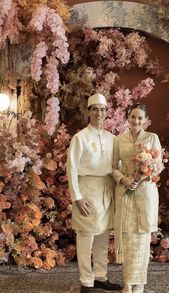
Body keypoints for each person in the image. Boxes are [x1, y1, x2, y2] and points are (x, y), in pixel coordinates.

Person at [67, 93, 122, 293]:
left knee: (103, 236)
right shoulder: (79, 138)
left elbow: (119, 165)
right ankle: (86, 281)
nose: (99, 113)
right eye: (95, 109)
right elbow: (71, 169)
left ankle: (100, 277)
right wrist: (77, 197)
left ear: (107, 112)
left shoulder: (113, 139)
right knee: (86, 236)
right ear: (88, 112)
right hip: (87, 190)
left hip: (107, 190)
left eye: (102, 109)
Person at [112, 103, 164, 293]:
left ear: (145, 120)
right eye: (133, 117)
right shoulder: (119, 139)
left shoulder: (152, 138)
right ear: (128, 117)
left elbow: (158, 166)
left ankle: (140, 282)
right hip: (125, 193)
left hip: (145, 193)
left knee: (142, 238)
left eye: (140, 118)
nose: (136, 121)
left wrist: (143, 175)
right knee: (127, 237)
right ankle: (127, 282)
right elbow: (113, 167)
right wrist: (124, 179)